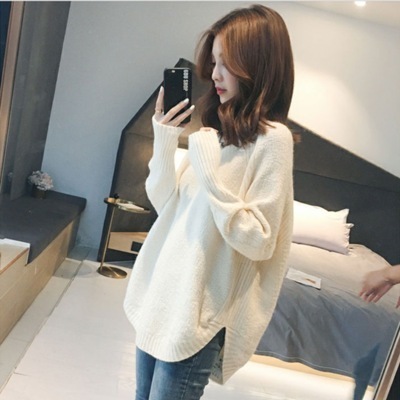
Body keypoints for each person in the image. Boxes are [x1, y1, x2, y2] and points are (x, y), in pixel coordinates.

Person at [124, 5, 295, 399]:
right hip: (163, 299)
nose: (215, 74)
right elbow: (165, 204)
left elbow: (260, 241)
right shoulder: (216, 134)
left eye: (226, 63)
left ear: (258, 65)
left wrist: (211, 175)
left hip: (196, 316)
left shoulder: (273, 141)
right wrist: (165, 138)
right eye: (214, 62)